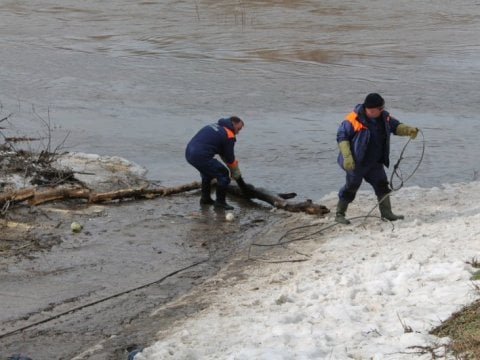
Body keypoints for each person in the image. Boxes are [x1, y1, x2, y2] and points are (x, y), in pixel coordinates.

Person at [335, 93, 419, 224]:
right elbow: (342, 137)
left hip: (375, 163)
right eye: (378, 110)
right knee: (351, 187)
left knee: (382, 186)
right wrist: (347, 156)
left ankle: (387, 214)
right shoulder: (353, 119)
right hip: (356, 163)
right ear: (369, 109)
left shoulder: (384, 117)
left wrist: (409, 130)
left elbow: (396, 126)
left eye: (381, 109)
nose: (380, 111)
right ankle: (340, 214)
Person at [185, 116, 245, 210]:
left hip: (189, 153)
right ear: (233, 124)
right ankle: (220, 202)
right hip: (201, 156)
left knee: (207, 173)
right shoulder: (229, 134)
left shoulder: (215, 125)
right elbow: (229, 158)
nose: (238, 132)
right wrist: (235, 171)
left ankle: (205, 199)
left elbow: (222, 151)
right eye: (238, 129)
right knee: (223, 175)